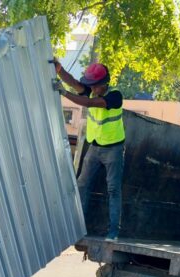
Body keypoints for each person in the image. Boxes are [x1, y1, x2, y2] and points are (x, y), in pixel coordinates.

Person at [54, 60, 126, 239]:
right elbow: (75, 83)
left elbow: (88, 103)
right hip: (94, 147)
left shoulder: (115, 96)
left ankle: (113, 232)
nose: (92, 89)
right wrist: (60, 70)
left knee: (113, 190)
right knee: (82, 185)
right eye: (91, 86)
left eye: (95, 86)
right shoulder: (93, 91)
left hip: (113, 150)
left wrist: (63, 92)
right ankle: (78, 229)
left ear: (103, 85)